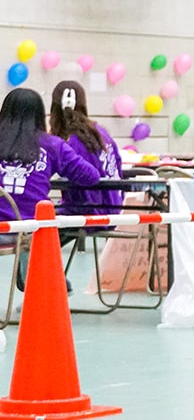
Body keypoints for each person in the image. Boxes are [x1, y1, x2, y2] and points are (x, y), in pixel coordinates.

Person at [0, 88, 101, 290]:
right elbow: (91, 176)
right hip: (32, 229)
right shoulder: (53, 145)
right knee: (38, 224)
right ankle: (44, 287)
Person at [49, 82, 124, 216]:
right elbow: (118, 164)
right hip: (115, 206)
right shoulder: (101, 132)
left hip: (90, 211)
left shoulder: (69, 144)